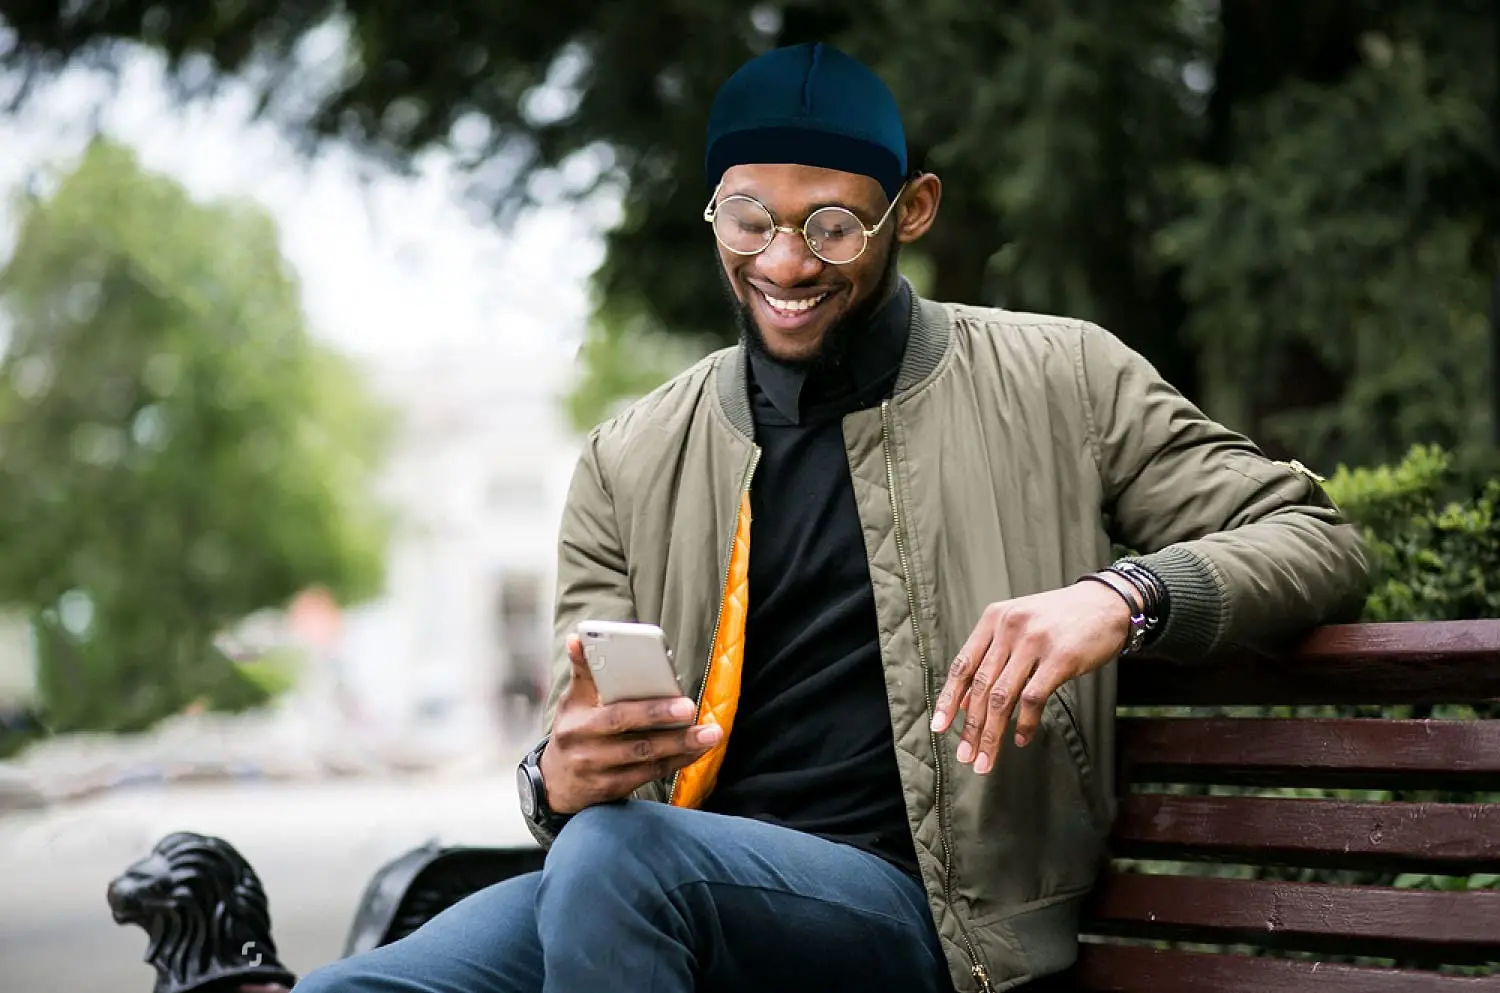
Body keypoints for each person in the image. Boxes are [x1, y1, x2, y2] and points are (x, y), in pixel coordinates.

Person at [294, 41, 1368, 993]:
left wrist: (1122, 596)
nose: (785, 262)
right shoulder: (629, 459)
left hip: (927, 922)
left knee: (623, 862)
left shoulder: (1063, 378)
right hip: (654, 886)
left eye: (834, 226)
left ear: (914, 209)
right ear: (715, 207)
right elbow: (578, 760)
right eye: (749, 220)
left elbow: (1314, 535)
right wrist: (555, 779)